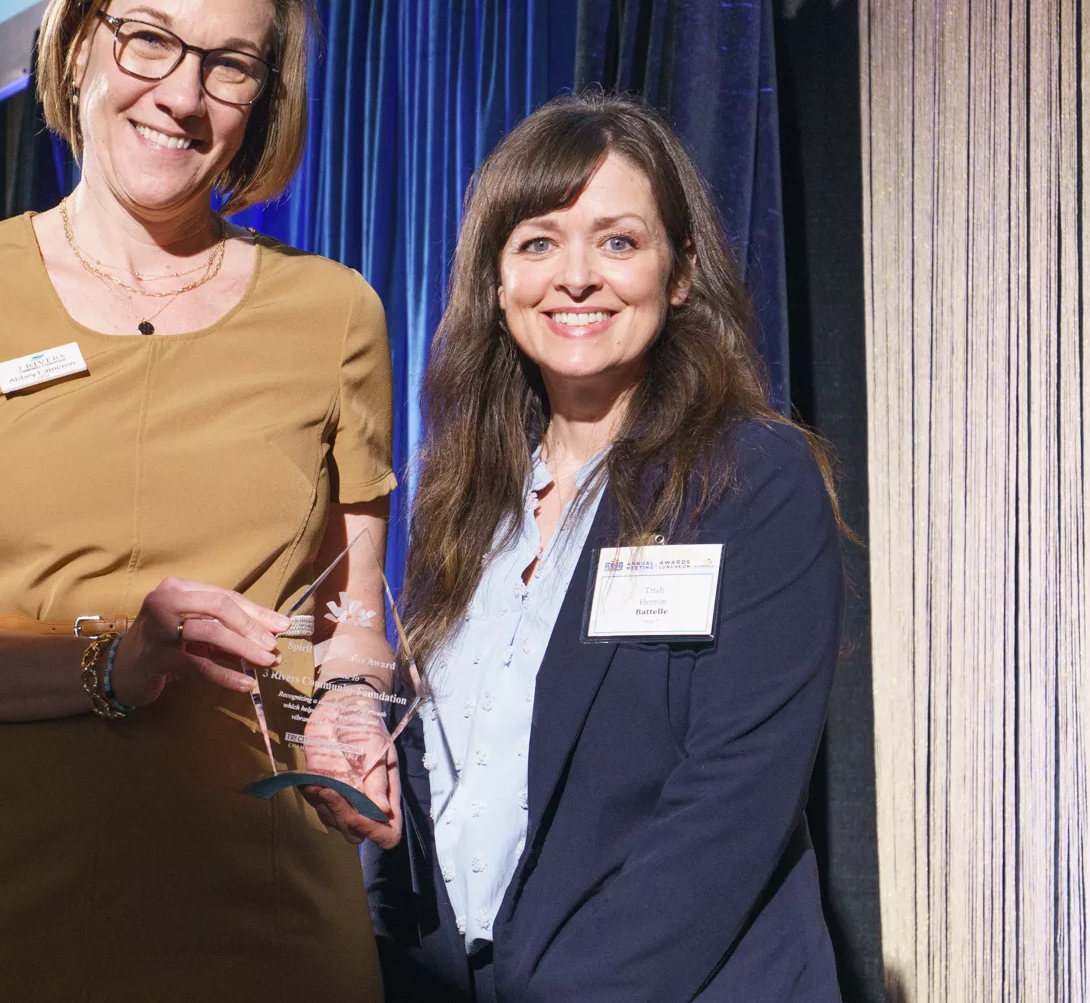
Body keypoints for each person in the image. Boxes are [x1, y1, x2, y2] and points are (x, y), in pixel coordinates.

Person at [0, 0, 397, 1003]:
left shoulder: (333, 312)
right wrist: (109, 664)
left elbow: (353, 619)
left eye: (228, 64)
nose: (180, 92)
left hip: (258, 903)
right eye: (150, 40)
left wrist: (356, 710)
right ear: (80, 44)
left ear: (262, 99)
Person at [350, 94, 845, 1001]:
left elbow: (729, 807)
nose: (575, 276)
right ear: (497, 283)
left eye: (618, 242)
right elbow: (419, 774)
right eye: (537, 243)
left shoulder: (751, 480)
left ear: (681, 272)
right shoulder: (465, 502)